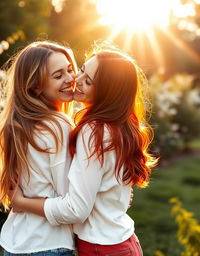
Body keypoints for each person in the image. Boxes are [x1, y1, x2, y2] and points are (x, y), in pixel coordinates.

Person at [9, 45, 158, 256]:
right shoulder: (115, 125)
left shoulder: (93, 130)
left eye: (87, 81)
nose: (75, 80)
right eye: (81, 70)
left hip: (103, 247)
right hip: (117, 241)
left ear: (106, 93)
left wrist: (21, 202)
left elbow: (75, 207)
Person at [0, 41, 78, 255]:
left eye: (70, 69)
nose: (70, 79)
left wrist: (21, 202)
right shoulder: (59, 125)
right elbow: (70, 200)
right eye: (58, 76)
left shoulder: (17, 125)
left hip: (14, 241)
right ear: (35, 86)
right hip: (48, 243)